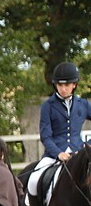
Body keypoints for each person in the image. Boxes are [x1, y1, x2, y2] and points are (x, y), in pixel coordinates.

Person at [29, 61, 91, 198]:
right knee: (33, 181)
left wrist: (89, 145)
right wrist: (58, 153)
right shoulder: (48, 106)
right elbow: (46, 136)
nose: (63, 89)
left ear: (74, 85)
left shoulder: (83, 105)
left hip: (78, 154)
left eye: (67, 85)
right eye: (60, 85)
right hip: (54, 155)